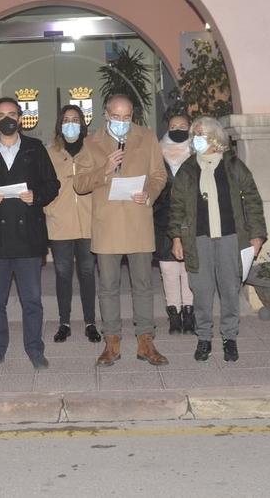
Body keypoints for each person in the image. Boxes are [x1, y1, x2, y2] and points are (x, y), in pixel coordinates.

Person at [0, 97, 61, 371]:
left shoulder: (35, 148)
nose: (7, 119)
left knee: (32, 300)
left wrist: (36, 196)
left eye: (12, 114)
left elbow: (53, 184)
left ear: (20, 118)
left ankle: (34, 349)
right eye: (1, 114)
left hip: (28, 237)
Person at [74, 93, 169, 367]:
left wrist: (148, 194)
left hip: (138, 220)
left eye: (127, 117)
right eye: (116, 117)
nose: (122, 122)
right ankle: (111, 342)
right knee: (108, 287)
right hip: (107, 226)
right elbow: (80, 184)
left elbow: (159, 175)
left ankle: (145, 341)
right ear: (106, 115)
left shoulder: (147, 137)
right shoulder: (91, 143)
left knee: (143, 285)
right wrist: (105, 169)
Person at [168, 117, 266, 362]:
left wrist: (257, 234)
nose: (196, 139)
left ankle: (229, 338)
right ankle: (203, 338)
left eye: (201, 134)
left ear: (215, 138)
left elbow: (253, 200)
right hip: (198, 239)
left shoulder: (233, 166)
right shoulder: (188, 169)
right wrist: (177, 237)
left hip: (231, 238)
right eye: (195, 134)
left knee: (230, 290)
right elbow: (176, 206)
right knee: (201, 291)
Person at [44, 104, 101, 344]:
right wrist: (49, 209)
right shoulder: (50, 152)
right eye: (66, 119)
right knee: (62, 273)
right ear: (60, 124)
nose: (70, 123)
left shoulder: (94, 150)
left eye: (75, 119)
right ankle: (64, 323)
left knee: (87, 272)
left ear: (82, 123)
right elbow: (42, 184)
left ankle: (90, 322)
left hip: (88, 222)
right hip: (60, 222)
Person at [153, 112, 194, 335]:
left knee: (189, 268)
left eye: (183, 125)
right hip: (163, 219)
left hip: (191, 220)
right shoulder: (156, 152)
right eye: (173, 125)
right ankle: (174, 316)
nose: (178, 128)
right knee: (168, 270)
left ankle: (189, 313)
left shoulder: (197, 152)